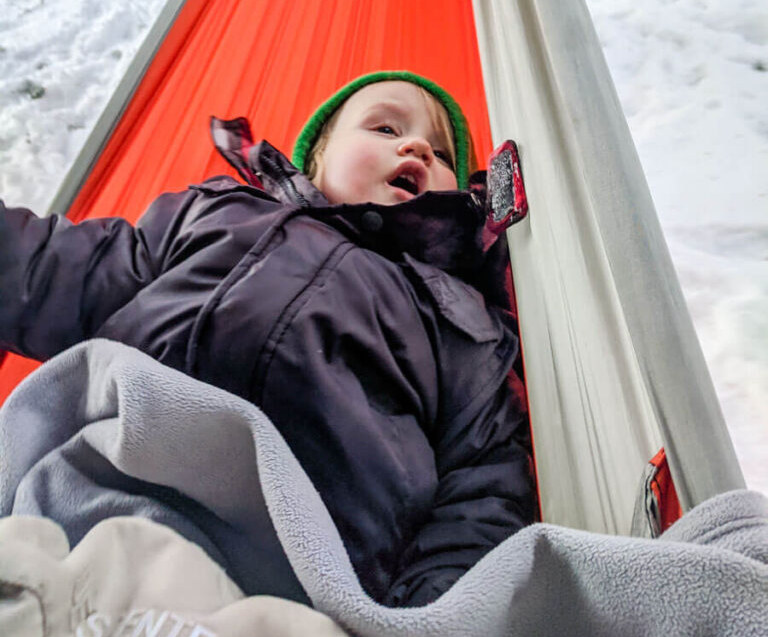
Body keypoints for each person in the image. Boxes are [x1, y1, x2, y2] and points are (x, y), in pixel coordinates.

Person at [0, 71, 535, 607]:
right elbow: (68, 271)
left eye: (442, 153)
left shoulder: (463, 324)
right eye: (385, 127)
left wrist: (427, 619)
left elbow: (481, 489)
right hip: (97, 499)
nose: (416, 145)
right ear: (317, 158)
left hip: (292, 582)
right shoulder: (219, 213)